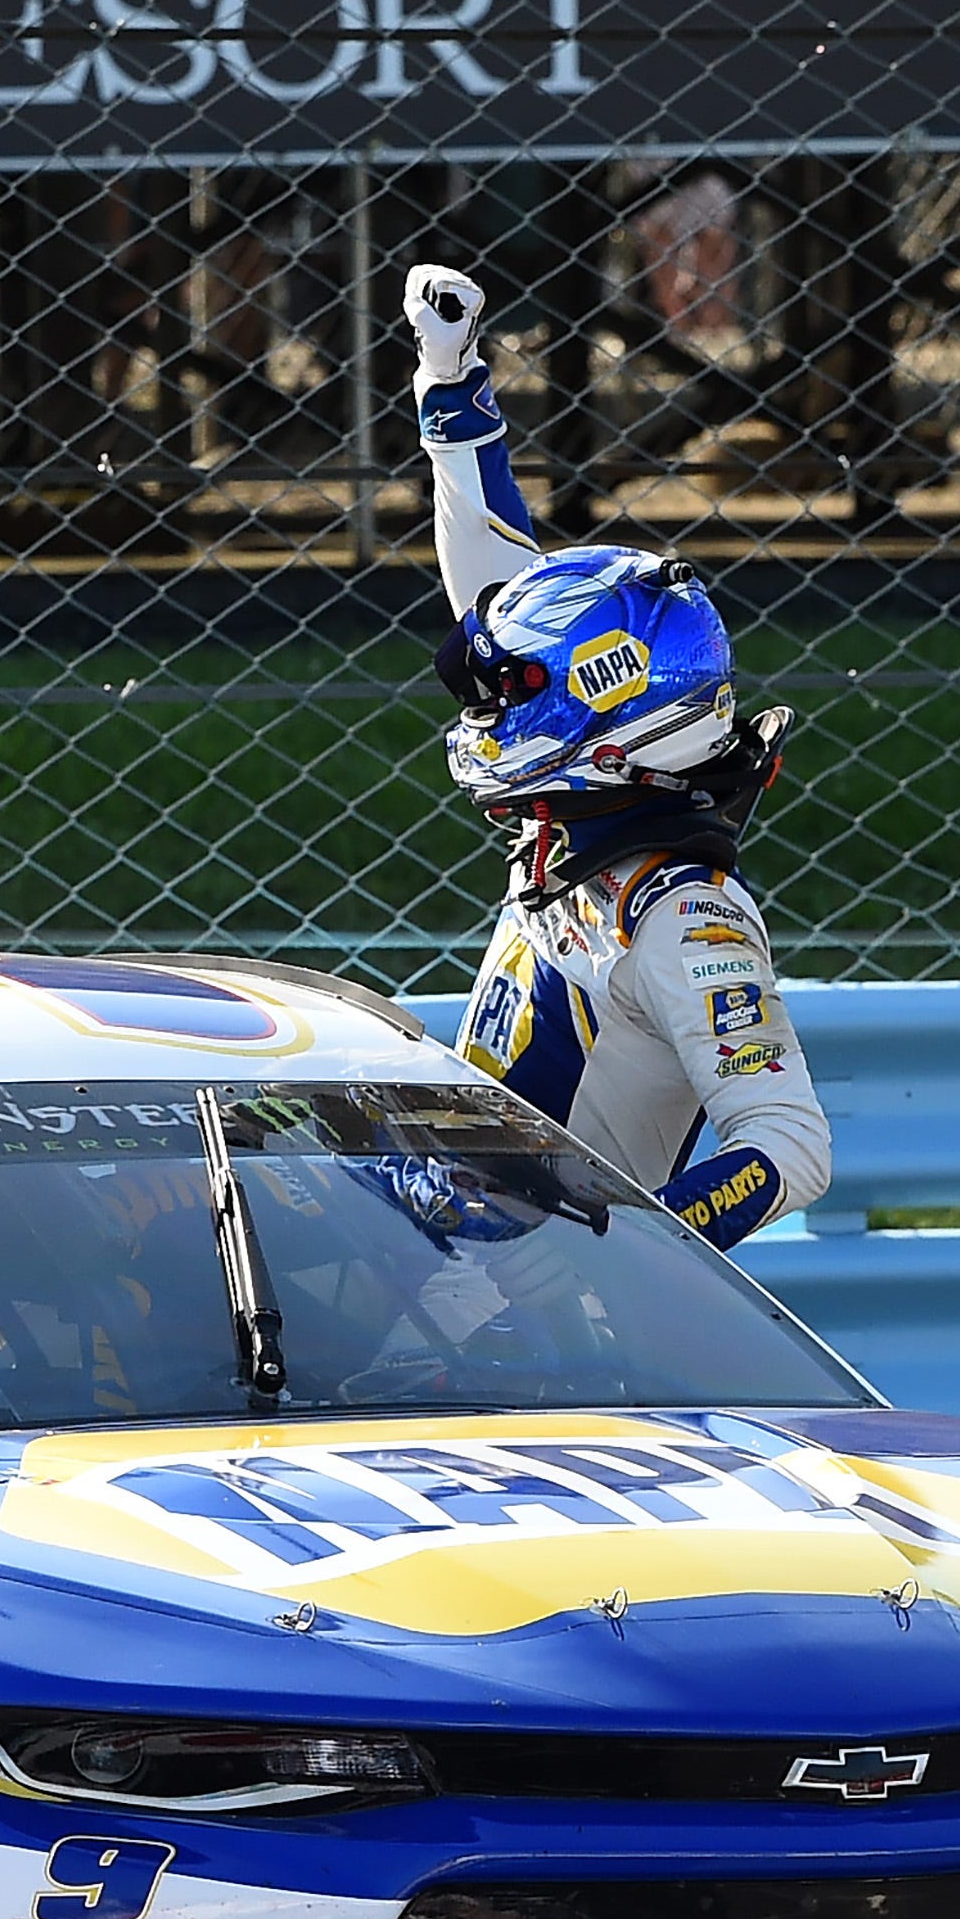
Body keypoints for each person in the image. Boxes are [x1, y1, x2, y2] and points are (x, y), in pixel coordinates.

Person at [403, 261, 832, 1250]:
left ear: (619, 720)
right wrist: (449, 380)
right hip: (427, 1249)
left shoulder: (686, 916)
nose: (496, 717)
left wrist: (637, 1262)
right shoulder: (568, 834)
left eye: (522, 699)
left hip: (509, 1322)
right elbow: (497, 591)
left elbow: (792, 1148)